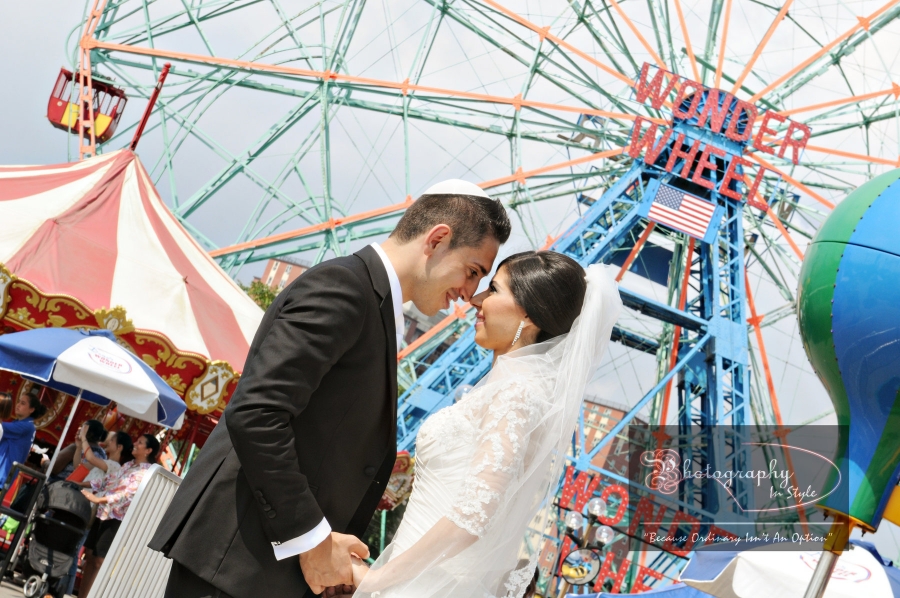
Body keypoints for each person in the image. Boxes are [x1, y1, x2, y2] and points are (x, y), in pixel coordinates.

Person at [149, 180, 512, 598]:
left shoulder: (368, 301)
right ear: (438, 239)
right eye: (472, 271)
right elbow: (257, 413)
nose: (469, 294)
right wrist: (313, 541)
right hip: (237, 563)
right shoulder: (344, 288)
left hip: (263, 570)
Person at [346, 252, 621, 597]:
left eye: (493, 289)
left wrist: (378, 581)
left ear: (529, 314)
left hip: (426, 586)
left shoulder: (516, 394)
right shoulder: (513, 391)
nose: (476, 299)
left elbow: (473, 517)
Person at [80, 433, 159, 597]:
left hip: (116, 519)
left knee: (99, 561)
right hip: (103, 512)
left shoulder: (146, 472)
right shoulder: (128, 465)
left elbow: (126, 495)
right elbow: (107, 480)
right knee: (89, 557)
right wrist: (80, 484)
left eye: (140, 442)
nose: (135, 443)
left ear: (149, 450)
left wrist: (98, 498)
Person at [58, 429, 133, 597]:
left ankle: (65, 589)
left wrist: (84, 438)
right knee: (79, 550)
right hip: (85, 504)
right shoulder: (106, 461)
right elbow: (82, 464)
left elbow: (90, 459)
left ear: (119, 447)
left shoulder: (114, 466)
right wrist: (79, 447)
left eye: (111, 441)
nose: (107, 442)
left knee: (77, 549)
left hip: (91, 508)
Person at [0, 392, 47, 484]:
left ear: (31, 409)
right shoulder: (23, 424)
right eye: (19, 402)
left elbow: (1, 427)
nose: (18, 405)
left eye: (23, 403)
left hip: (2, 474)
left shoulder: (26, 426)